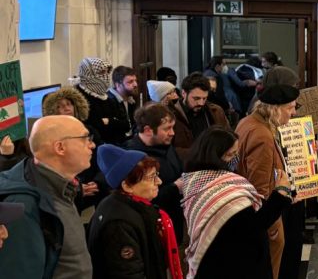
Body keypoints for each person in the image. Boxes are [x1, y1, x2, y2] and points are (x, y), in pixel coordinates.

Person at [177, 127, 293, 279]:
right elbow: (253, 225)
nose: (236, 159)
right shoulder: (218, 187)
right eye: (231, 155)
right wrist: (281, 193)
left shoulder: (195, 178)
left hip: (221, 261)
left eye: (236, 153)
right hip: (233, 264)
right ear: (214, 155)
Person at [0, 115, 96, 278]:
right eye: (85, 138)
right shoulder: (24, 205)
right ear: (60, 148)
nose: (92, 144)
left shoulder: (61, 186)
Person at [235, 79, 299, 279]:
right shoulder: (261, 134)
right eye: (290, 108)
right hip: (265, 213)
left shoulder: (248, 121)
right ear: (275, 109)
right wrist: (271, 221)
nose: (293, 113)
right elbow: (260, 187)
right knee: (268, 267)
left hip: (249, 209)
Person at [89, 145, 182, 279]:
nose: (159, 181)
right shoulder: (119, 224)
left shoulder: (126, 205)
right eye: (151, 177)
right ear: (127, 185)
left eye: (157, 175)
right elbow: (129, 273)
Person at [262, 67, 307, 279]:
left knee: (293, 242)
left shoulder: (286, 111)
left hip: (292, 187)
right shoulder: (264, 118)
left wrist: (308, 147)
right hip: (277, 194)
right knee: (282, 248)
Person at [125, 104, 185, 241]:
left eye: (172, 127)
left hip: (173, 223)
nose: (172, 133)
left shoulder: (165, 145)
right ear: (148, 130)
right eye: (167, 128)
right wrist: (174, 188)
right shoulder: (134, 158)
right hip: (153, 230)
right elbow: (140, 200)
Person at [41, 87, 104, 208]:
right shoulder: (51, 138)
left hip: (94, 186)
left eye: (69, 104)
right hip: (67, 193)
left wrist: (98, 182)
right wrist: (77, 188)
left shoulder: (90, 130)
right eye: (59, 106)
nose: (66, 108)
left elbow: (102, 158)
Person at [171, 73, 230, 160]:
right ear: (183, 93)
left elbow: (228, 138)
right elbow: (169, 151)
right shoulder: (172, 115)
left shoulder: (216, 111)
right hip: (186, 164)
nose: (201, 103)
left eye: (204, 98)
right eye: (196, 98)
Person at [76, 57, 131, 145]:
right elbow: (94, 129)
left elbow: (126, 125)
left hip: (118, 144)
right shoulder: (80, 98)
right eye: (101, 72)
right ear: (89, 74)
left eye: (107, 72)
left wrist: (109, 121)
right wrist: (114, 122)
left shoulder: (107, 96)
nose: (105, 76)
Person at [110, 66, 141, 139]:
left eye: (135, 80)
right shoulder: (109, 101)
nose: (135, 84)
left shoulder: (131, 99)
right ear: (118, 85)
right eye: (130, 82)